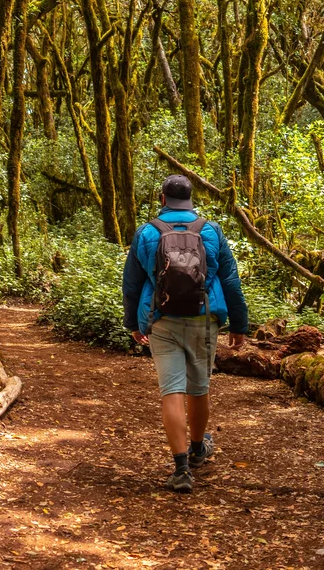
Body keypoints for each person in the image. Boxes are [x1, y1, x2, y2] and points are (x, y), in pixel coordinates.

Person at [122, 174, 248, 493]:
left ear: (162, 198)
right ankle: (196, 450)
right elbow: (231, 280)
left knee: (172, 390)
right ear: (191, 199)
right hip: (204, 317)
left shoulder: (147, 232)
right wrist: (239, 325)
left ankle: (180, 471)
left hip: (162, 319)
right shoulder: (210, 229)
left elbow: (132, 284)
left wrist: (133, 324)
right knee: (199, 386)